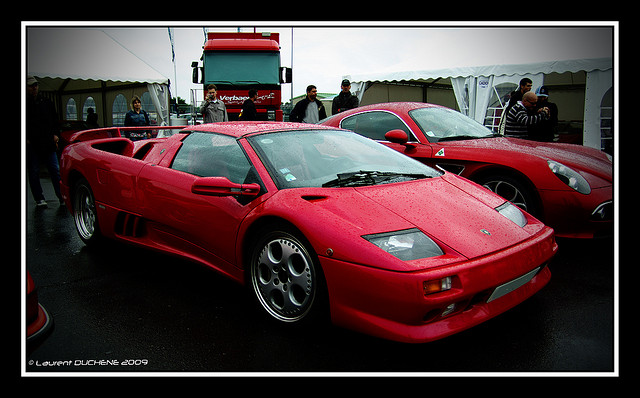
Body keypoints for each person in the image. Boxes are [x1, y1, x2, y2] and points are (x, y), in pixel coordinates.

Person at [26, 75, 63, 207]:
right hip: (33, 144)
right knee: (34, 171)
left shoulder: (46, 102)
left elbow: (55, 120)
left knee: (55, 170)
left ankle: (61, 196)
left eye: (35, 85)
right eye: (31, 86)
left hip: (48, 143)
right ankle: (39, 198)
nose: (34, 88)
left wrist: (55, 134)